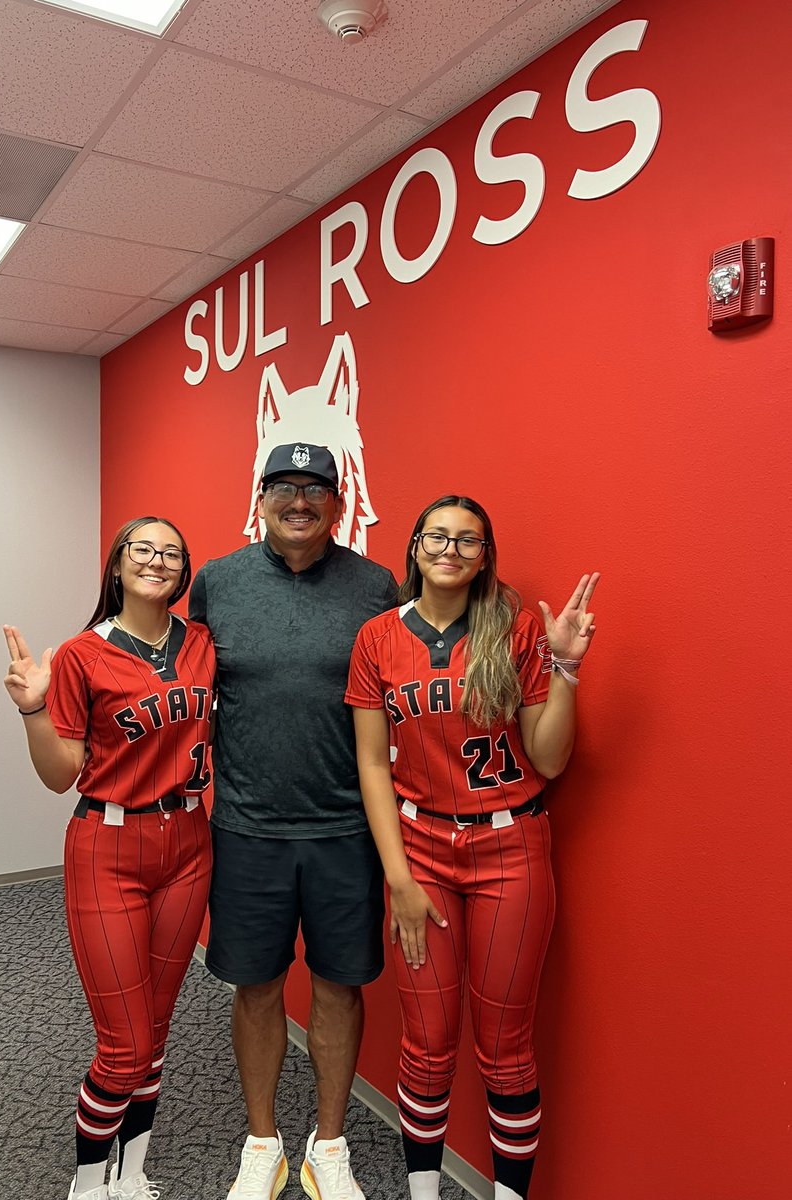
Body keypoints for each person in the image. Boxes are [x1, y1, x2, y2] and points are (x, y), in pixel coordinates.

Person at [345, 495, 599, 1200]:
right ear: (415, 546)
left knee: (506, 1050)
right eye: (438, 536)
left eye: (468, 540)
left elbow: (549, 759)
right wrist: (397, 878)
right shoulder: (376, 638)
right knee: (427, 1044)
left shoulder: (514, 629)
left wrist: (569, 668)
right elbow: (371, 762)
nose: (450, 549)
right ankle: (424, 1194)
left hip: (510, 846)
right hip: (420, 846)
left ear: (486, 556)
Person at [187, 443, 399, 1200]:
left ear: (338, 504)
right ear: (262, 497)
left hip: (347, 830)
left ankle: (330, 1144)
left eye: (316, 488)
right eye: (284, 486)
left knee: (341, 988)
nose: (300, 500)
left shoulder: (377, 586)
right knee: (256, 986)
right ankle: (264, 1140)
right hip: (247, 827)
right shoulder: (215, 582)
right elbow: (194, 687)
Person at [3, 516, 215, 1200]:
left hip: (187, 844)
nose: (157, 560)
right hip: (107, 848)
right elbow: (59, 773)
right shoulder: (81, 655)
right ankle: (89, 1184)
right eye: (143, 549)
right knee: (122, 1045)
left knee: (154, 1031)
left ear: (184, 572)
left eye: (171, 552)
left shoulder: (204, 644)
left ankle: (134, 1171)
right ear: (117, 565)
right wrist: (34, 712)